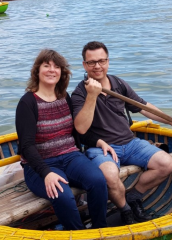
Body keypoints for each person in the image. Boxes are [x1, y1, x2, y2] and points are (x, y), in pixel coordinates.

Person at [71, 41, 172, 225]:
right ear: (84, 65)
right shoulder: (79, 93)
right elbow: (81, 128)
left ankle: (133, 197)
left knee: (167, 164)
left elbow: (143, 107)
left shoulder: (118, 83)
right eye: (92, 62)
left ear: (108, 61)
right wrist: (92, 95)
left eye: (101, 61)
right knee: (109, 175)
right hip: (101, 148)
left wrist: (168, 119)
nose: (97, 66)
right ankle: (126, 210)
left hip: (130, 143)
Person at [15, 49, 108, 230]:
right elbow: (26, 146)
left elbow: (76, 131)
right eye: (46, 66)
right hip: (40, 166)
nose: (52, 70)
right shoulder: (27, 103)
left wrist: (98, 141)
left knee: (98, 181)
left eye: (57, 67)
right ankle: (78, 234)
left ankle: (100, 231)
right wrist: (46, 173)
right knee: (62, 195)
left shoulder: (65, 97)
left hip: (70, 157)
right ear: (37, 71)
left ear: (62, 73)